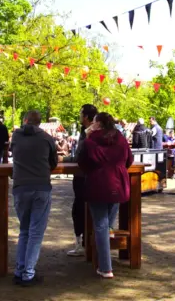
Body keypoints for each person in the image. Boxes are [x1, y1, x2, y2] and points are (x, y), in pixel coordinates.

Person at [78, 112, 133, 279]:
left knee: (101, 225)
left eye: (93, 122)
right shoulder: (120, 138)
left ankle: (105, 267)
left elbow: (82, 162)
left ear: (98, 124)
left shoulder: (91, 140)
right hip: (119, 184)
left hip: (98, 184)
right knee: (107, 225)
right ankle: (105, 260)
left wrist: (87, 136)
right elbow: (129, 159)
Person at [10, 110, 58, 287]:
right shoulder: (46, 138)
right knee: (36, 232)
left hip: (21, 187)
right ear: (40, 123)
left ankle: (19, 270)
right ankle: (28, 274)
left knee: (24, 230)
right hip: (41, 186)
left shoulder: (16, 136)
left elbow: (13, 152)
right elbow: (54, 163)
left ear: (25, 120)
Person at [67, 104, 97, 257]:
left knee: (79, 209)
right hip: (92, 177)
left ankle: (84, 244)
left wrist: (64, 159)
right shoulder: (94, 130)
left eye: (80, 113)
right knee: (87, 209)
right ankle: (87, 243)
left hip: (84, 177)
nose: (79, 116)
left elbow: (81, 156)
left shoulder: (89, 132)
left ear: (85, 116)